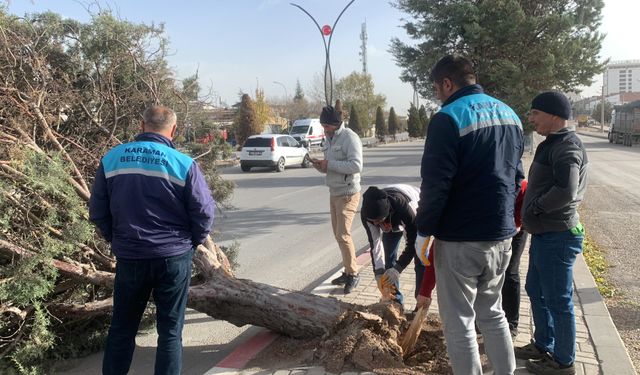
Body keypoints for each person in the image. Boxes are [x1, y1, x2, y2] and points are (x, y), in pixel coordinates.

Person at [414, 55, 524, 375]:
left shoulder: (448, 118)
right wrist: (508, 221)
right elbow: (517, 178)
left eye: (436, 88)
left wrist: (424, 230)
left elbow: (436, 184)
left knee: (460, 322)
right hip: (501, 235)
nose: (437, 95)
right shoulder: (511, 115)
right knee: (493, 313)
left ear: (447, 83)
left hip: (461, 238)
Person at [89, 105, 215, 375]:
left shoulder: (112, 159)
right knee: (170, 331)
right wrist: (190, 243)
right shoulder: (183, 163)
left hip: (130, 256)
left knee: (122, 328)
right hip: (173, 257)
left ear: (141, 125)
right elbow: (203, 212)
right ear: (174, 130)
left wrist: (117, 239)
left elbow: (98, 211)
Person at [515, 92, 588, 375]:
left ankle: (563, 362)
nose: (531, 118)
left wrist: (535, 208)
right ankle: (543, 344)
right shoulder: (552, 143)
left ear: (554, 116)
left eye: (536, 113)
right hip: (545, 234)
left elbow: (567, 190)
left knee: (558, 299)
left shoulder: (567, 146)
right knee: (535, 289)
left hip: (558, 235)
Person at [312, 104, 363, 294]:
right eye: (323, 126)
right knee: (338, 235)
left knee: (343, 234)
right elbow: (332, 165)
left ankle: (353, 274)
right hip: (334, 192)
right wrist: (321, 166)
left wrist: (330, 164)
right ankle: (348, 270)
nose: (325, 129)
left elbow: (356, 165)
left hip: (348, 193)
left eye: (327, 126)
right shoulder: (329, 138)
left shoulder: (350, 137)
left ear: (336, 124)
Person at [360, 185, 426, 305]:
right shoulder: (366, 215)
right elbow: (375, 244)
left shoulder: (404, 207)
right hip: (391, 222)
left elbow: (413, 242)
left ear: (387, 212)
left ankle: (420, 302)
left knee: (420, 259)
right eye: (373, 221)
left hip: (415, 212)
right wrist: (378, 272)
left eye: (378, 220)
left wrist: (398, 268)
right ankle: (395, 300)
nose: (376, 224)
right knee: (389, 258)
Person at [502, 179, 529, 340]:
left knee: (510, 270)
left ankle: (511, 323)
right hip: (494, 224)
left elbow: (525, 193)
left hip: (517, 225)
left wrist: (517, 223)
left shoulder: (519, 185)